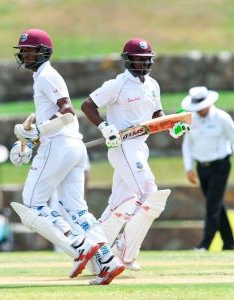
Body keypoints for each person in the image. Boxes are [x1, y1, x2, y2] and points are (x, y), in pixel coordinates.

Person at [9, 28, 125, 285]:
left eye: (29, 52)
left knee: (32, 202)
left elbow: (68, 113)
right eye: (23, 52)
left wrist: (39, 131)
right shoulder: (44, 76)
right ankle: (108, 260)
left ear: (44, 52)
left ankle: (79, 245)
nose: (25, 56)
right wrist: (30, 141)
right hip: (73, 146)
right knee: (76, 209)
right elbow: (56, 115)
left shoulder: (46, 77)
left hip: (59, 144)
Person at [81, 37, 190, 270]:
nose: (143, 64)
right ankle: (124, 250)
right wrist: (104, 126)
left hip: (140, 146)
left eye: (146, 60)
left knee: (120, 203)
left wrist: (174, 126)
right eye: (139, 60)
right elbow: (87, 105)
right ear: (127, 60)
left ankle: (95, 254)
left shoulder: (152, 85)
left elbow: (157, 116)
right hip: (122, 147)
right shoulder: (116, 85)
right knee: (150, 194)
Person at [181, 86, 234, 251]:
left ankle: (205, 244)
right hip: (201, 168)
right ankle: (229, 243)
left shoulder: (222, 118)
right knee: (216, 204)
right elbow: (187, 145)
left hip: (220, 165)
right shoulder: (191, 120)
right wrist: (189, 168)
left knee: (212, 206)